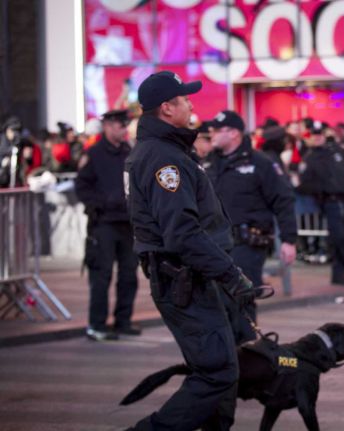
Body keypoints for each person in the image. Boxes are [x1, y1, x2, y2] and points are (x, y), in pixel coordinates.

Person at [125, 71, 261, 430]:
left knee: (221, 367)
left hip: (192, 275)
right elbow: (183, 232)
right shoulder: (163, 158)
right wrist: (231, 274)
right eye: (185, 99)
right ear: (167, 108)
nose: (192, 103)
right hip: (184, 277)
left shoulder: (168, 150)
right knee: (217, 372)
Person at [206, 110, 297, 343]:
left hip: (248, 242)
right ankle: (227, 357)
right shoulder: (211, 164)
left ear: (234, 133)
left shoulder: (260, 163)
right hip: (216, 244)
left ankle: (248, 354)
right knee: (219, 302)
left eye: (218, 130)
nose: (212, 134)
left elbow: (283, 199)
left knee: (241, 300)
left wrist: (289, 239)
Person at [74, 109, 140, 341]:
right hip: (104, 224)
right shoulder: (93, 153)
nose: (122, 129)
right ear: (108, 126)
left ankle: (123, 321)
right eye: (119, 125)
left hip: (127, 223)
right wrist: (101, 204)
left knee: (129, 275)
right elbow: (82, 186)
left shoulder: (129, 152)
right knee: (101, 276)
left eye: (124, 125)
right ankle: (97, 325)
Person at [296, 123, 344, 285]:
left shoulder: (337, 151)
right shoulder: (309, 157)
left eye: (320, 134)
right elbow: (303, 184)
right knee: (338, 237)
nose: (317, 138)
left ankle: (338, 275)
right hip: (329, 201)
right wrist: (322, 190)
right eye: (314, 135)